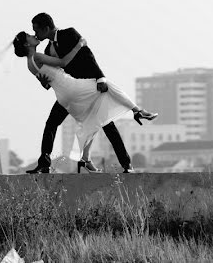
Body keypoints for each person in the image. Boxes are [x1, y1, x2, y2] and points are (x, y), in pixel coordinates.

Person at [21, 13, 157, 173]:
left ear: (46, 28)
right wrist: (45, 83)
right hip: (73, 91)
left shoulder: (69, 33)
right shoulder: (47, 50)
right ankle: (49, 162)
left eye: (36, 30)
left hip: (90, 86)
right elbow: (57, 72)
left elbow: (88, 55)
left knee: (106, 125)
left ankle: (124, 165)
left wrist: (100, 77)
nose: (35, 34)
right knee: (54, 123)